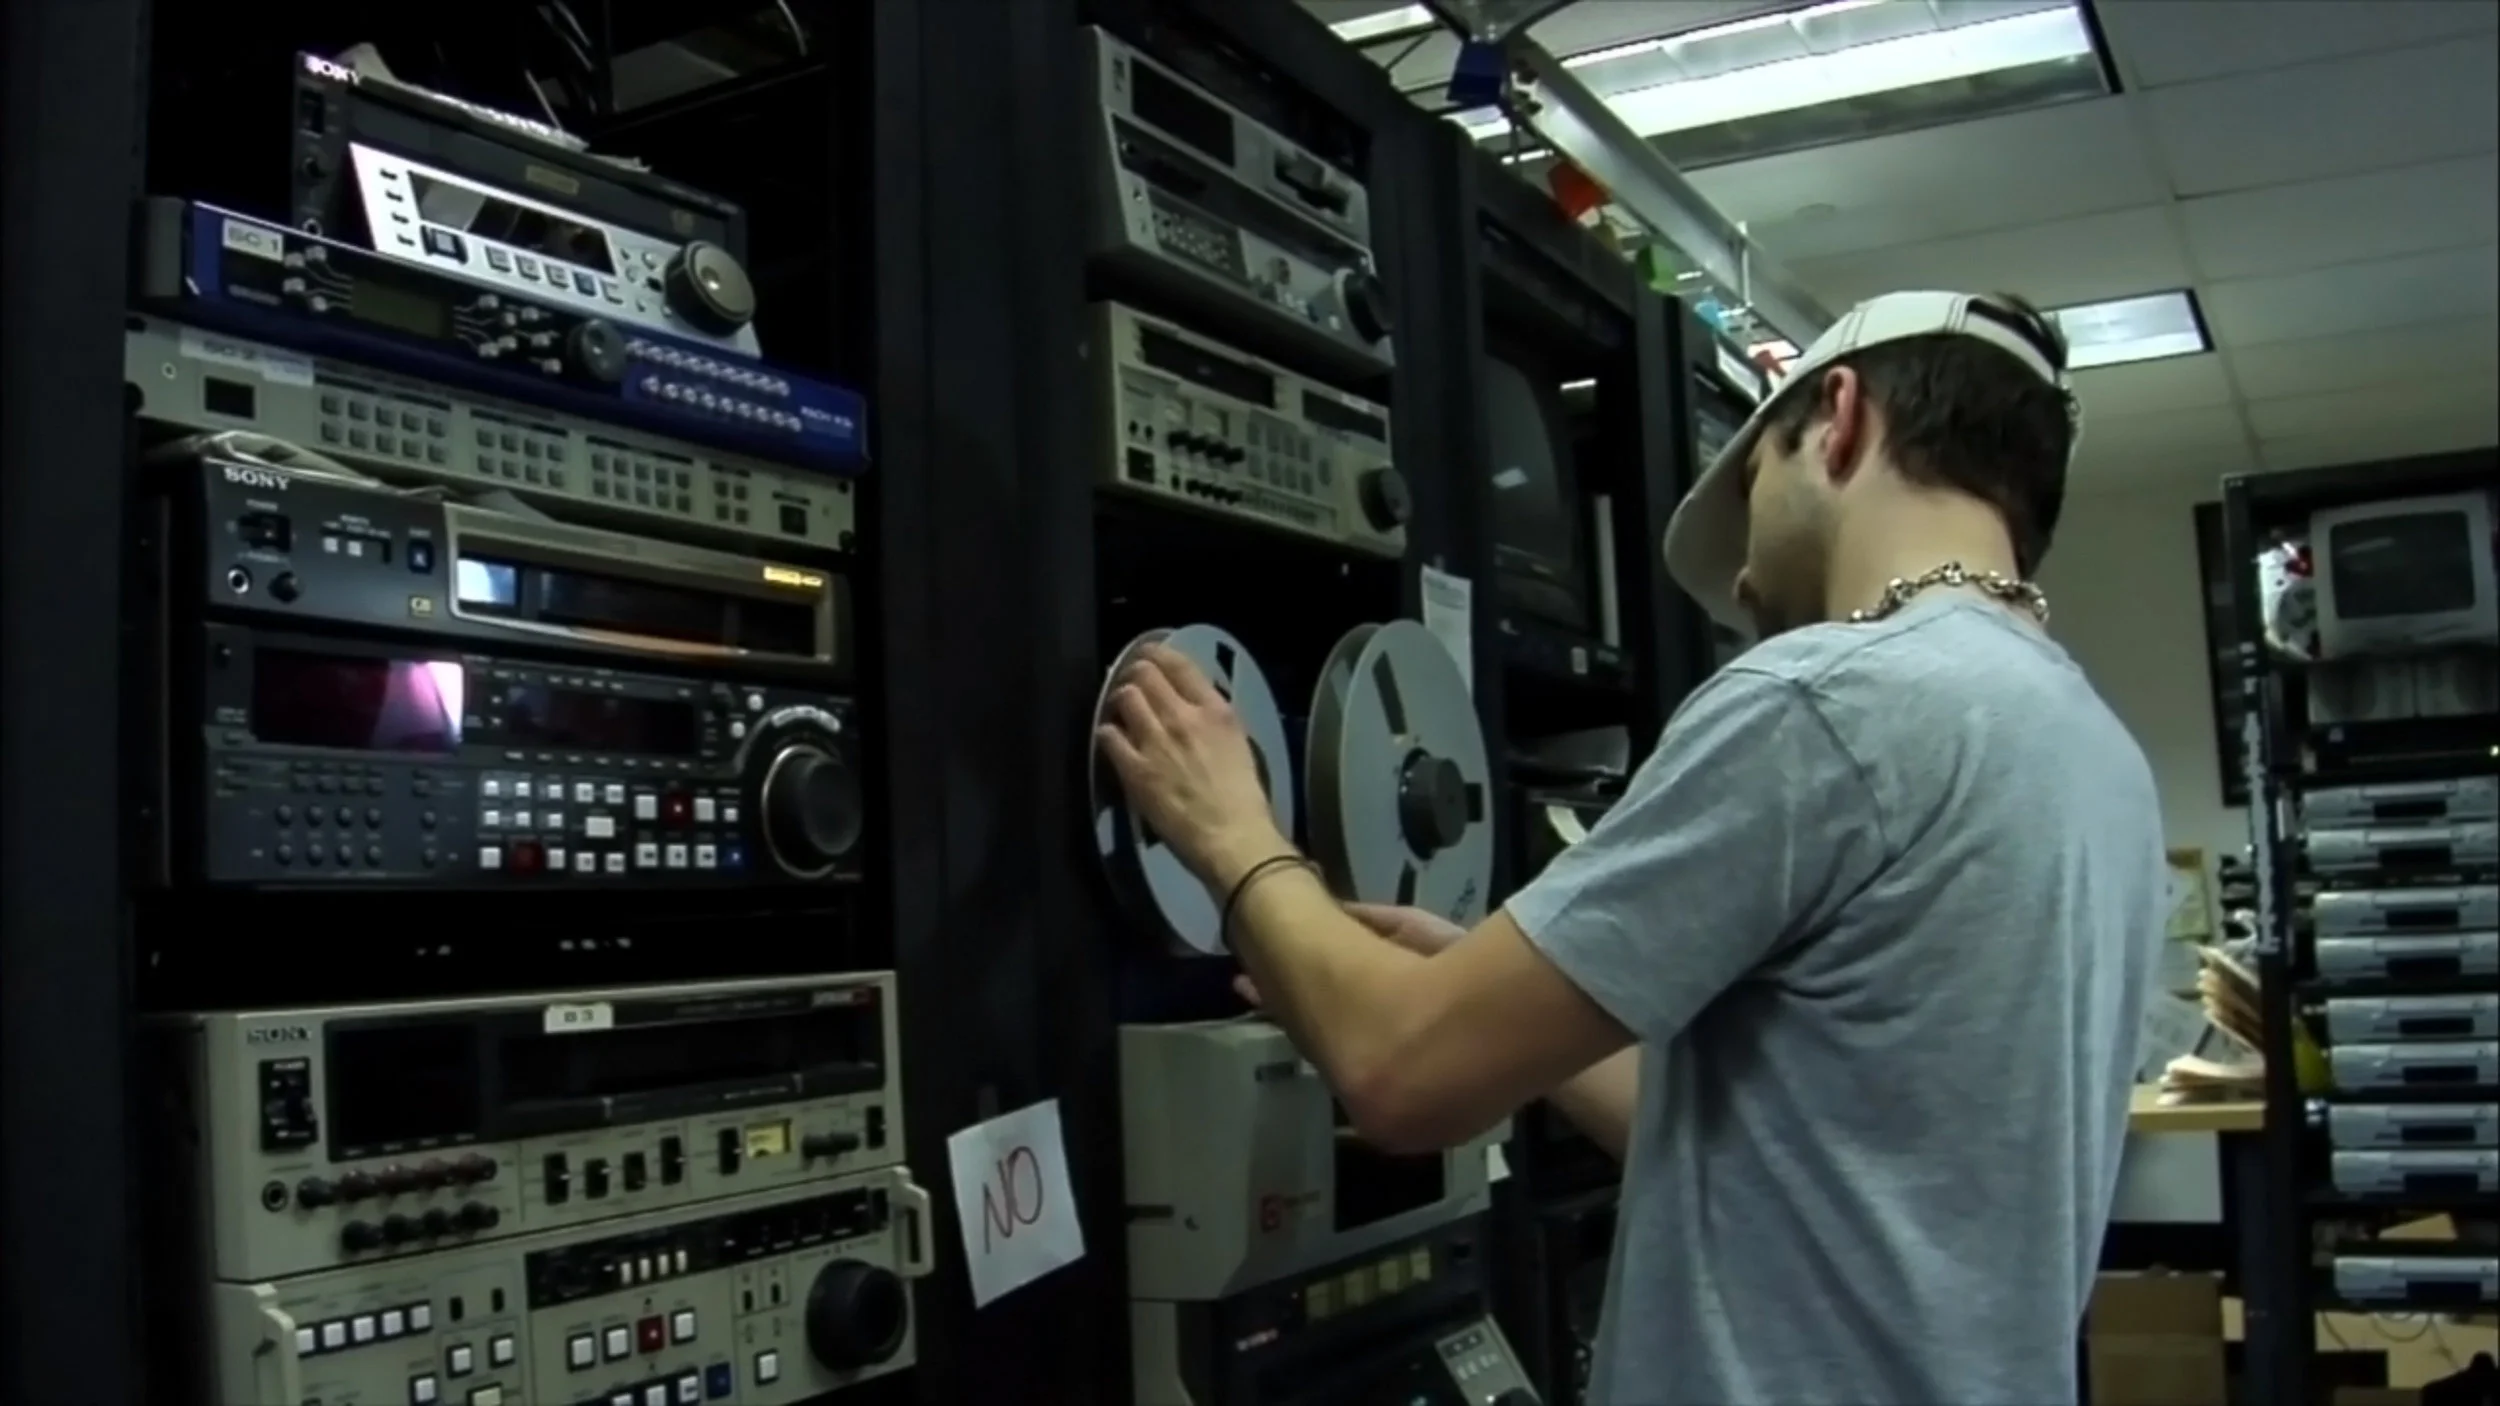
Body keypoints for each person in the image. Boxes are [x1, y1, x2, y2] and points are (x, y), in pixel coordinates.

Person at [1097, 290, 2164, 1405]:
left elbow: (1400, 1078)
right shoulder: (2095, 750)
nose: (1742, 583)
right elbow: (1810, 1151)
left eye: (1751, 490)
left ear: (1839, 418)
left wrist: (1233, 835)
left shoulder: (1827, 701)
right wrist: (1514, 1007)